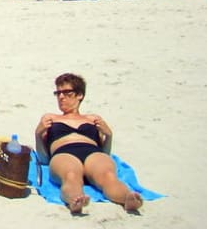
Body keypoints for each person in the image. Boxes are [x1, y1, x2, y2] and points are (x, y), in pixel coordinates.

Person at [34, 73, 143, 214]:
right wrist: (38, 134)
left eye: (67, 92)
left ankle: (127, 198)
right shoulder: (50, 118)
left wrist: (108, 135)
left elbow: (105, 153)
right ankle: (74, 199)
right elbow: (44, 159)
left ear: (80, 95)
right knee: (71, 175)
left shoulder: (93, 119)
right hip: (64, 153)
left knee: (108, 175)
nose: (61, 97)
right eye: (58, 93)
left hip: (93, 152)